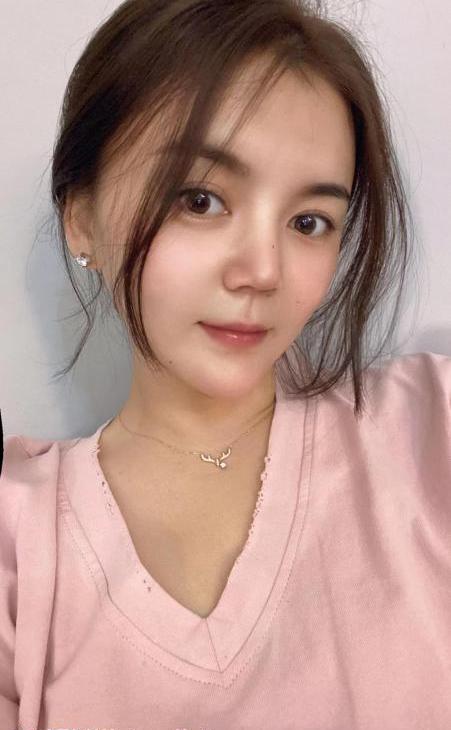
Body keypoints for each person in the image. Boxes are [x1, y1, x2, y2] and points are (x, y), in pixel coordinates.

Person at [1, 0, 450, 728]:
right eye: (201, 200)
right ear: (81, 217)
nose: (263, 271)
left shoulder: (428, 433)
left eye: (309, 222)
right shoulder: (19, 545)